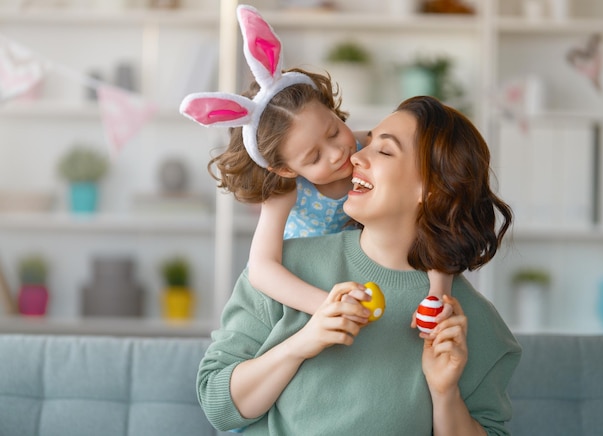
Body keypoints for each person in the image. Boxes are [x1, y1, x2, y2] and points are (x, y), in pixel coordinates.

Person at [196, 95, 522, 435]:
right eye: (368, 142)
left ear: (432, 188)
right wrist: (301, 344)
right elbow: (218, 406)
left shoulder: (468, 324)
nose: (354, 156)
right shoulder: (284, 270)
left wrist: (445, 393)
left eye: (383, 150)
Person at [180, 4, 453, 322]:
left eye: (334, 131)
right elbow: (262, 269)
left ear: (333, 110)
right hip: (306, 287)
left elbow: (429, 206)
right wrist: (326, 305)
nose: (337, 153)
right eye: (314, 157)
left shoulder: (371, 147)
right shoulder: (284, 188)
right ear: (284, 168)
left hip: (366, 272)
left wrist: (437, 294)